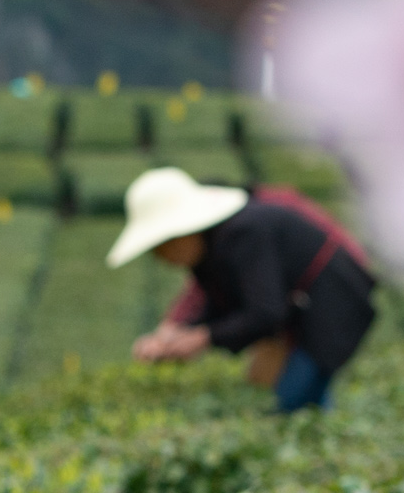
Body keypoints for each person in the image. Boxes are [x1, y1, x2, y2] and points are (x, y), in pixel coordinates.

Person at [116, 167, 378, 413]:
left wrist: (203, 338)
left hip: (332, 308)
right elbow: (215, 301)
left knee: (289, 402)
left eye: (164, 245)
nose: (162, 257)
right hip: (304, 312)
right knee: (298, 402)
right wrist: (177, 331)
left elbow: (265, 313)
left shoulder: (243, 234)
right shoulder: (213, 247)